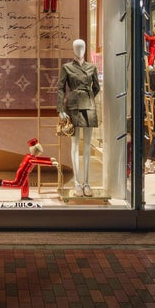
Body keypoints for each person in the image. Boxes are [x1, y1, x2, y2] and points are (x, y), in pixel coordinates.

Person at [57, 38, 100, 197]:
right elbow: (60, 88)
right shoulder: (67, 67)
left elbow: (96, 87)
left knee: (87, 146)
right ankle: (77, 183)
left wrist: (88, 97)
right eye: (77, 47)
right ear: (73, 49)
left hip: (89, 107)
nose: (80, 50)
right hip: (73, 107)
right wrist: (60, 108)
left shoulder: (92, 67)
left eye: (82, 47)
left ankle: (86, 183)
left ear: (86, 48)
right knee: (75, 145)